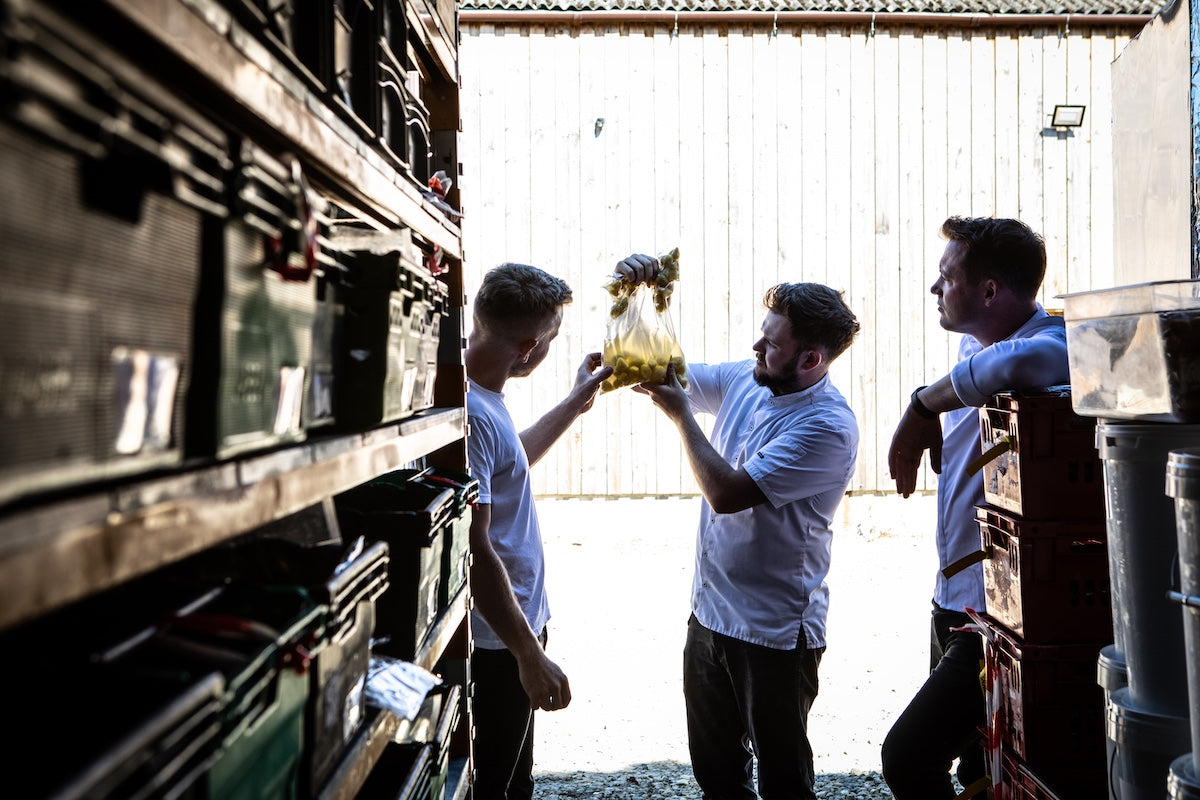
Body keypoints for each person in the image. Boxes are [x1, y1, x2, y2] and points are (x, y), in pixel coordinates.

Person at [616, 253, 861, 800]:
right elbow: (661, 371)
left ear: (811, 359)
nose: (757, 348)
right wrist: (642, 297)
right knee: (716, 770)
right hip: (709, 612)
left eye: (772, 343)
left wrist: (681, 415)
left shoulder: (828, 427)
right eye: (762, 334)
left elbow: (727, 494)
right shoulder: (748, 379)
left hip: (773, 630)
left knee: (782, 778)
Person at [881, 216, 1071, 799]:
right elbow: (980, 369)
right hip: (950, 598)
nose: (935, 290)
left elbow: (1015, 366)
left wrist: (920, 407)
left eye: (947, 277)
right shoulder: (971, 346)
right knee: (977, 769)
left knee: (907, 757)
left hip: (996, 613)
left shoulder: (1053, 345)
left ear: (990, 291)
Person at [465, 262, 612, 800]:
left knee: (514, 779)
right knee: (497, 786)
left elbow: (511, 464)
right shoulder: (473, 415)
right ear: (530, 347)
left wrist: (576, 401)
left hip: (514, 628)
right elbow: (476, 550)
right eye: (551, 338)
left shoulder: (479, 399)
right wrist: (528, 654)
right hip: (498, 639)